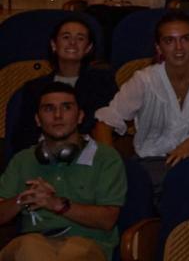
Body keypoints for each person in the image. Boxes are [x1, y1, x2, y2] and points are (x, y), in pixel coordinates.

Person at [0, 83, 126, 261]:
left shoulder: (105, 159)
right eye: (49, 109)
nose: (58, 115)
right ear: (37, 119)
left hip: (87, 252)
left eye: (66, 108)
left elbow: (107, 220)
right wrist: (22, 198)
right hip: (22, 256)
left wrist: (58, 205)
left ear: (80, 116)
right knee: (31, 244)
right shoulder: (22, 161)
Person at [94, 11, 189, 192]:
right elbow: (105, 122)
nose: (178, 47)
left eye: (185, 39)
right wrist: (109, 167)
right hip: (156, 162)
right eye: (169, 41)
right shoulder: (144, 81)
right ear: (159, 48)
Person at [5, 17, 118, 160]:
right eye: (66, 37)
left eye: (80, 38)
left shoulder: (103, 84)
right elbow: (23, 134)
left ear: (88, 48)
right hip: (42, 158)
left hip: (87, 158)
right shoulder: (34, 88)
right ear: (54, 45)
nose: (72, 42)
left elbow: (100, 128)